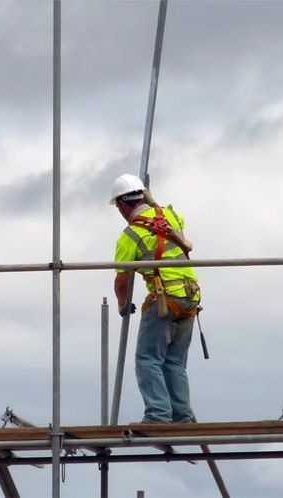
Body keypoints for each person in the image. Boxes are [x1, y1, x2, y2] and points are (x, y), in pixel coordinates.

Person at [111, 173, 201, 424]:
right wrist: (153, 204)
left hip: (165, 299)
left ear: (121, 204)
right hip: (190, 296)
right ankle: (182, 417)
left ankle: (158, 415)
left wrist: (121, 304)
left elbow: (122, 279)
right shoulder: (171, 216)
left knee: (148, 359)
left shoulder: (129, 235)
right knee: (174, 362)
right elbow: (172, 222)